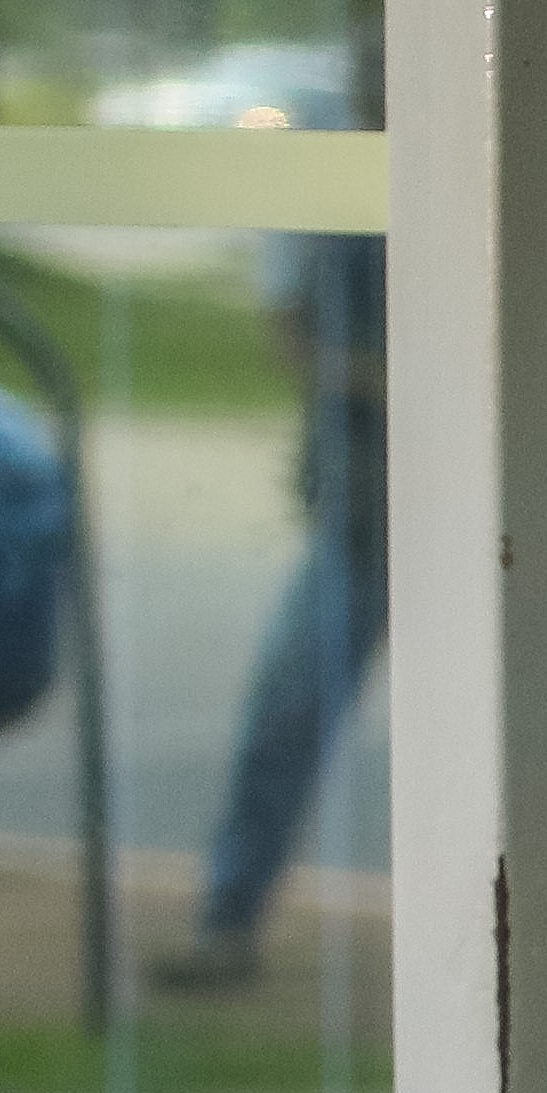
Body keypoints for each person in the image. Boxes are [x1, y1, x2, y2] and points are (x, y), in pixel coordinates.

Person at [160, 226, 383, 996]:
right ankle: (227, 923)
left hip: (435, 511)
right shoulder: (331, 220)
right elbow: (291, 333)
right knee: (285, 717)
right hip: (362, 516)